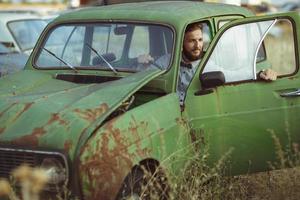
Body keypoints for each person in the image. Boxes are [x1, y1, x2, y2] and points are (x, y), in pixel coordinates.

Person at [138, 23, 277, 105]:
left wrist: (259, 73)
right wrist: (141, 64)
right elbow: (145, 78)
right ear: (181, 43)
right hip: (168, 111)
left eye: (200, 40)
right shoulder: (167, 60)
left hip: (195, 111)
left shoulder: (206, 65)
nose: (197, 45)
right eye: (192, 41)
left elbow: (232, 75)